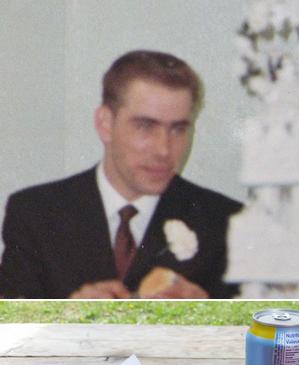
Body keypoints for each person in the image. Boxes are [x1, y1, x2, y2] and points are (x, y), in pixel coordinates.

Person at [0, 50, 242, 298]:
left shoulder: (228, 223)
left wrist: (212, 319)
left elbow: (264, 332)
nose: (164, 150)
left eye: (178, 129)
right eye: (146, 126)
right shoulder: (35, 214)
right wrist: (64, 320)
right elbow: (11, 333)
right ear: (105, 124)